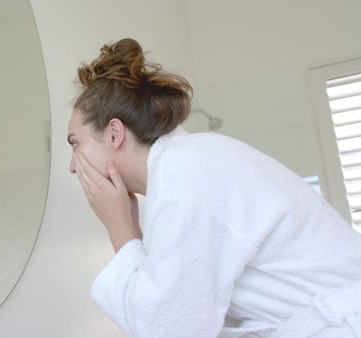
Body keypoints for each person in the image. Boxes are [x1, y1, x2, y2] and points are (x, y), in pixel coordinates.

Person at [68, 38, 361, 338]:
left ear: (114, 133)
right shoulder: (185, 165)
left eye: (75, 143)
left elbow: (169, 330)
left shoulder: (184, 173)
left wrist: (120, 228)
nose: (73, 166)